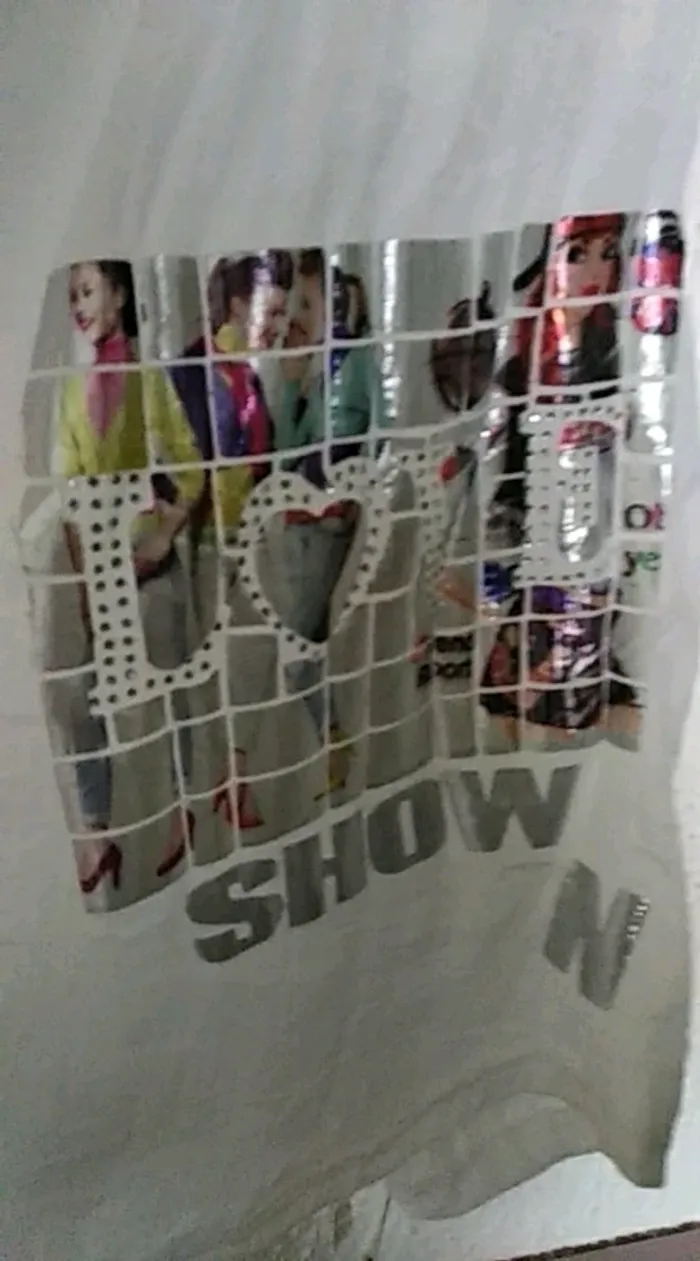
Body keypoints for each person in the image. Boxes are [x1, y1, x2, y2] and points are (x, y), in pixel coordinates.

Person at [436, 214, 641, 745]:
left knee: (569, 657)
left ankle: (558, 730)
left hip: (588, 539)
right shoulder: (522, 368)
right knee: (539, 657)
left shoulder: (613, 360)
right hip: (536, 533)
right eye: (577, 254)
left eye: (608, 252)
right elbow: (500, 452)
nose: (597, 271)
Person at [56, 259, 205, 895]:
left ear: (118, 295)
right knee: (78, 699)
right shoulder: (72, 390)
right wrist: (86, 585)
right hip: (104, 578)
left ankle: (183, 812)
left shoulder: (147, 381)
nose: (79, 304)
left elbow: (192, 467)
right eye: (73, 294)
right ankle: (99, 832)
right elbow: (68, 496)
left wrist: (166, 530)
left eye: (88, 290)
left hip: (153, 572)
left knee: (171, 690)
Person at [169, 252, 294, 829]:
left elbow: (264, 458)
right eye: (272, 309)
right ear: (240, 304)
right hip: (201, 539)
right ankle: (202, 790)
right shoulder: (189, 370)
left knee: (260, 645)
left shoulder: (252, 378)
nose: (278, 323)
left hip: (250, 533)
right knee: (202, 660)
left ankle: (235, 771)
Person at [276, 250, 385, 792]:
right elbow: (285, 450)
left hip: (330, 518)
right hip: (297, 517)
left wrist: (356, 491)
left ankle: (338, 742)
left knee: (298, 656)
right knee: (308, 647)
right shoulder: (321, 377)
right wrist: (289, 385)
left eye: (309, 303)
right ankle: (336, 752)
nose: (300, 316)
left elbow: (382, 431)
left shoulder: (361, 360)